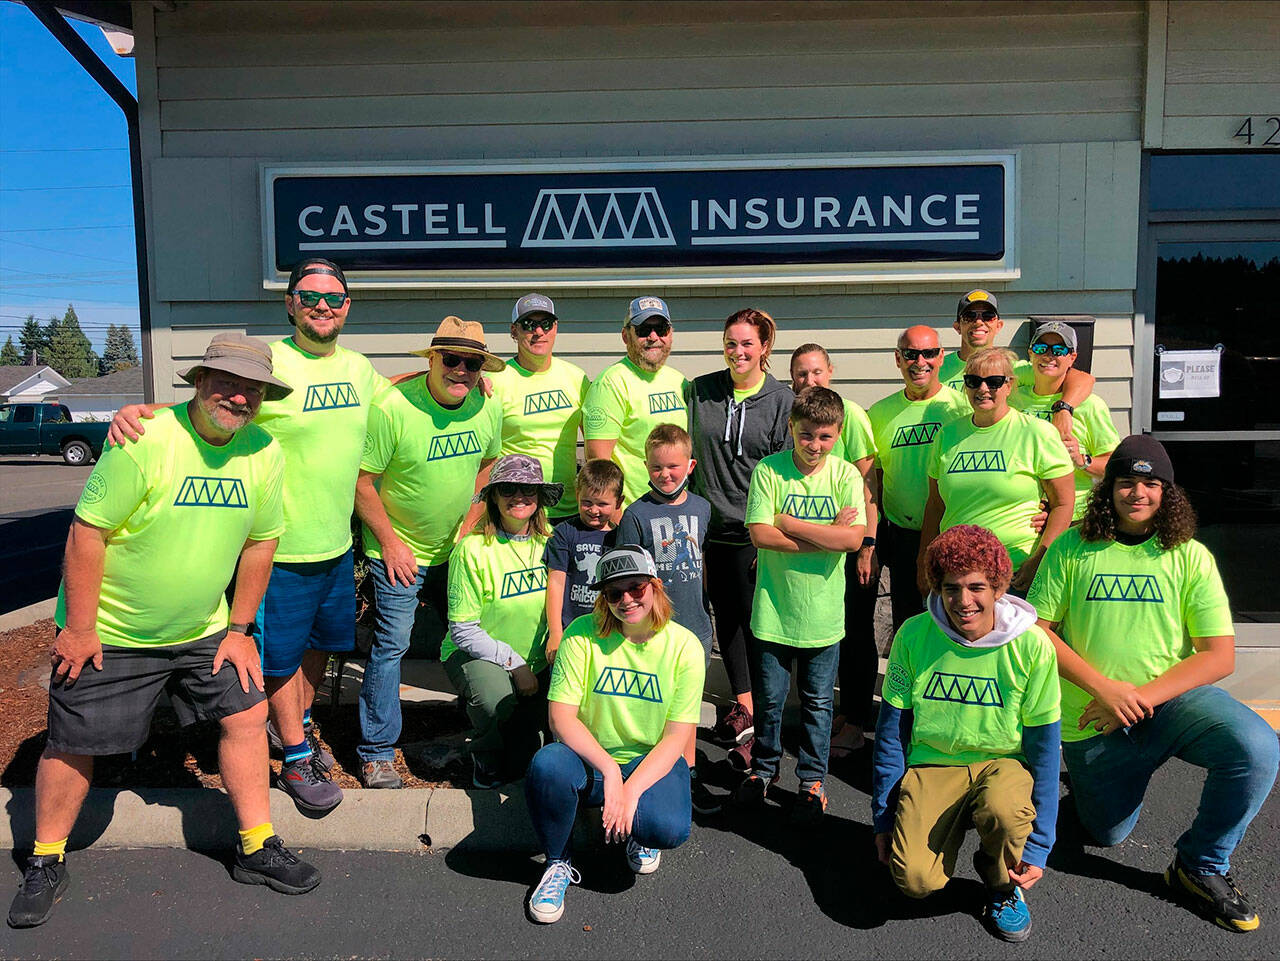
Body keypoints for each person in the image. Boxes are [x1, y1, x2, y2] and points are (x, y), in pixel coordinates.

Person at [8, 334, 320, 930]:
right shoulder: (144, 437)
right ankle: (45, 858)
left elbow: (261, 543)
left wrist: (238, 628)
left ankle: (256, 845)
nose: (238, 396)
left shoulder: (264, 451)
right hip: (114, 631)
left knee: (247, 715)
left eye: (251, 388)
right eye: (226, 382)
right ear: (199, 381)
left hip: (204, 630)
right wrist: (78, 629)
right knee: (75, 741)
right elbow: (88, 532)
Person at [105, 259, 387, 815]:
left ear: (348, 306)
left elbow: (395, 394)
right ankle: (297, 758)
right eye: (310, 297)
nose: (322, 307)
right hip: (277, 549)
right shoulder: (271, 362)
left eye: (334, 298)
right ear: (290, 303)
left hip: (335, 545)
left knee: (318, 650)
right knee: (277, 659)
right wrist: (138, 413)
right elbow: (211, 405)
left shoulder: (359, 368)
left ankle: (296, 726)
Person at [1028, 435, 1279, 933]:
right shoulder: (1072, 548)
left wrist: (1136, 697)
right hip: (1093, 719)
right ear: (1108, 490)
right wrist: (1105, 689)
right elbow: (1037, 631)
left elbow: (1218, 655)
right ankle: (1094, 786)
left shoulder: (1188, 555)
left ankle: (1201, 864)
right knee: (1108, 834)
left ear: (1167, 492)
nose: (1137, 493)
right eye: (1126, 482)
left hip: (1172, 706)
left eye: (1150, 483)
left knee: (1257, 748)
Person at [871, 525, 1061, 944]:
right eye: (951, 588)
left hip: (1003, 762)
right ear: (937, 587)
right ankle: (949, 837)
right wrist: (883, 817)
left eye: (977, 587)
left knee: (1006, 813)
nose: (964, 601)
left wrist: (1040, 843)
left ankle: (1000, 884)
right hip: (934, 762)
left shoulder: (1032, 645)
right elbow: (891, 734)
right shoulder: (914, 635)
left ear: (998, 587)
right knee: (916, 881)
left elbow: (1045, 748)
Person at [354, 316, 504, 788]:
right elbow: (361, 483)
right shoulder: (393, 406)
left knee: (475, 632)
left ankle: (482, 727)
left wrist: (472, 521)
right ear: (432, 360)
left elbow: (488, 465)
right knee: (392, 647)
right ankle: (376, 751)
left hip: (456, 550)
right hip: (399, 551)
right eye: (452, 359)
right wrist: (392, 544)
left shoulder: (485, 405)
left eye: (472, 363)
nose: (461, 370)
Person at [524, 546, 705, 924]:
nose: (626, 599)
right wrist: (609, 772)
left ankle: (639, 831)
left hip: (649, 759)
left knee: (668, 828)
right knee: (547, 766)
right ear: (603, 599)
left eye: (636, 587)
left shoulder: (684, 646)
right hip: (591, 760)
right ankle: (557, 863)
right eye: (613, 593)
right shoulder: (581, 634)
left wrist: (632, 789)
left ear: (655, 586)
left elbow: (676, 737)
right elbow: (561, 718)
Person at [732, 386, 865, 824]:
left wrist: (788, 521)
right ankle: (764, 770)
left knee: (818, 703)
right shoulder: (770, 470)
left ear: (838, 434)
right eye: (806, 435)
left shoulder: (845, 475)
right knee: (770, 701)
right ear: (792, 428)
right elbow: (759, 534)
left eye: (825, 437)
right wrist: (824, 535)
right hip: (773, 610)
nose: (814, 446)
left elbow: (853, 539)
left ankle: (812, 779)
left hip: (823, 615)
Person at [687, 308, 793, 770]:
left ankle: (767, 721)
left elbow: (783, 474)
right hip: (709, 530)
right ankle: (745, 711)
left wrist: (770, 530)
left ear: (765, 348)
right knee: (724, 622)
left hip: (755, 530)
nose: (738, 351)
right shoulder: (701, 391)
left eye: (748, 343)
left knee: (758, 625)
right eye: (731, 342)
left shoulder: (780, 399)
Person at [918, 348, 1075, 596]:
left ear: (1009, 386)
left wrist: (1039, 560)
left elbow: (1064, 504)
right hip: (955, 574)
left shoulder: (1037, 433)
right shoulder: (947, 435)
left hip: (1016, 573)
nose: (983, 389)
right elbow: (935, 505)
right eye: (973, 381)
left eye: (994, 382)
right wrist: (924, 561)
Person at [616, 424, 716, 812]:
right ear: (646, 466)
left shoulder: (702, 508)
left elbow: (704, 563)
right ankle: (651, 779)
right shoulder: (636, 515)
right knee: (656, 707)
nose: (665, 474)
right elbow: (628, 578)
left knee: (685, 710)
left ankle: (686, 779)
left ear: (690, 465)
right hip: (655, 629)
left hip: (695, 625)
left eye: (673, 466)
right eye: (657, 468)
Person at [444, 454, 559, 789]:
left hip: (541, 659)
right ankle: (485, 751)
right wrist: (515, 663)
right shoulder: (473, 549)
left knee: (530, 755)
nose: (519, 497)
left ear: (539, 497)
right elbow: (464, 630)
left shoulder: (553, 542)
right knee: (496, 700)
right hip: (482, 656)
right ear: (493, 495)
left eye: (528, 489)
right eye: (508, 488)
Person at [789, 343, 879, 758]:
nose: (810, 381)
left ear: (831, 372)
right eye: (801, 374)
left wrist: (866, 546)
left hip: (852, 540)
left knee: (856, 630)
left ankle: (857, 720)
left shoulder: (851, 416)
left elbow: (868, 487)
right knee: (827, 632)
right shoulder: (798, 421)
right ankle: (837, 713)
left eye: (816, 373)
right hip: (816, 542)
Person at [867, 325, 969, 631]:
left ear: (941, 357)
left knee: (956, 625)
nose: (919, 361)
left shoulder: (961, 408)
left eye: (928, 353)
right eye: (911, 354)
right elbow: (875, 479)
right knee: (909, 625)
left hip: (952, 532)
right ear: (898, 359)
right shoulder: (881, 413)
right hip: (902, 537)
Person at [936, 289, 1095, 443]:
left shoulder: (1011, 368)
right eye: (969, 316)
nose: (979, 322)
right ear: (957, 327)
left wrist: (1064, 409)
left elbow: (1082, 378)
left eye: (988, 316)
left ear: (998, 325)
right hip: (949, 448)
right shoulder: (938, 368)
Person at [489, 293, 592, 522]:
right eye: (529, 325)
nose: (538, 332)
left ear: (555, 328)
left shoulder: (576, 377)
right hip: (518, 512)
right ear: (514, 331)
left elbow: (594, 443)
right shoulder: (495, 381)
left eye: (545, 324)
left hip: (570, 510)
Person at [583, 296, 689, 506]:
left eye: (661, 329)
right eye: (643, 330)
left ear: (670, 334)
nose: (653, 336)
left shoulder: (679, 381)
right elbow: (599, 463)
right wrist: (617, 516)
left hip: (678, 512)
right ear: (625, 336)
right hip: (632, 512)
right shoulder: (611, 383)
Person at [1011, 321, 1119, 522]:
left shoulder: (1090, 405)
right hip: (1023, 514)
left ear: (1072, 358)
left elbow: (1113, 464)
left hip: (1075, 515)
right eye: (1041, 348)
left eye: (1059, 350)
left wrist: (1082, 460)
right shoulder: (1012, 397)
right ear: (1031, 353)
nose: (1049, 355)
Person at [544, 458, 624, 662]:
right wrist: (555, 633)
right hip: (570, 630)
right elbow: (555, 582)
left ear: (619, 502)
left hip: (610, 630)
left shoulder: (622, 537)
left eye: (603, 504)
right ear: (577, 495)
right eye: (587, 502)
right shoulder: (564, 533)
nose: (594, 510)